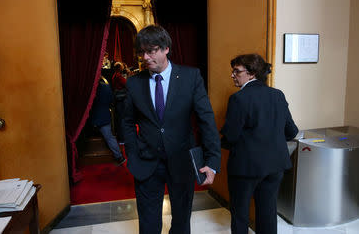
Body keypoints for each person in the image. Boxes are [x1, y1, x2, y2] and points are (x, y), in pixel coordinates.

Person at [122, 25, 221, 234]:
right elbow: (127, 122)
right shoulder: (134, 83)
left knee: (182, 221)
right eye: (141, 52)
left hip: (182, 160)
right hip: (146, 162)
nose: (145, 57)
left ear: (166, 48)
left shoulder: (190, 77)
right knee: (148, 224)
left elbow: (206, 120)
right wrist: (132, 153)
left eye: (151, 51)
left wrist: (212, 161)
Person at [220, 54, 298, 234]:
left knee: (240, 214)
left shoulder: (239, 99)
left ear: (252, 73)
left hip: (246, 167)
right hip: (275, 165)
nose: (233, 75)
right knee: (268, 212)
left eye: (237, 71)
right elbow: (291, 131)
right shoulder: (278, 95)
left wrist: (221, 143)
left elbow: (231, 136)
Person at [90, 76, 126, 165]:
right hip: (105, 115)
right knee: (109, 137)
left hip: (95, 116)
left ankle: (119, 157)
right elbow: (111, 100)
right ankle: (119, 157)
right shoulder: (106, 86)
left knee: (108, 137)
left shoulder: (91, 89)